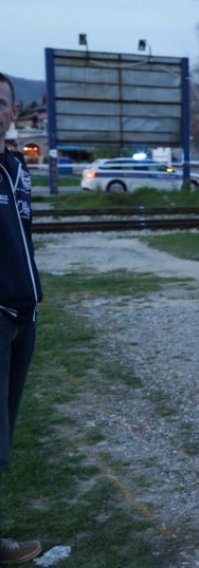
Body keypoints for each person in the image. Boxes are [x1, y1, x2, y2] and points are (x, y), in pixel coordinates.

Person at [0, 72, 43, 564]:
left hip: (23, 316)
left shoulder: (17, 169)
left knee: (3, 433)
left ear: (14, 112)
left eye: (3, 101)